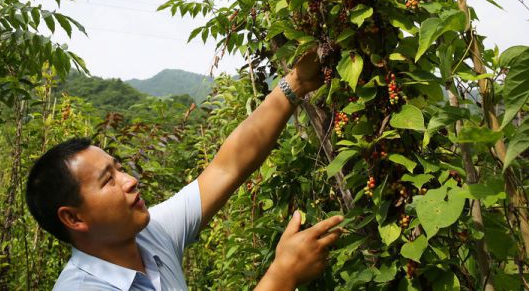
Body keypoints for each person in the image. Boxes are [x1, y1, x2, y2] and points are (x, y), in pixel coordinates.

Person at [26, 52, 344, 290]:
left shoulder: (148, 237)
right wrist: (283, 274)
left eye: (119, 168)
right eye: (108, 180)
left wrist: (295, 84)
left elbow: (226, 168)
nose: (130, 181)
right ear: (74, 218)